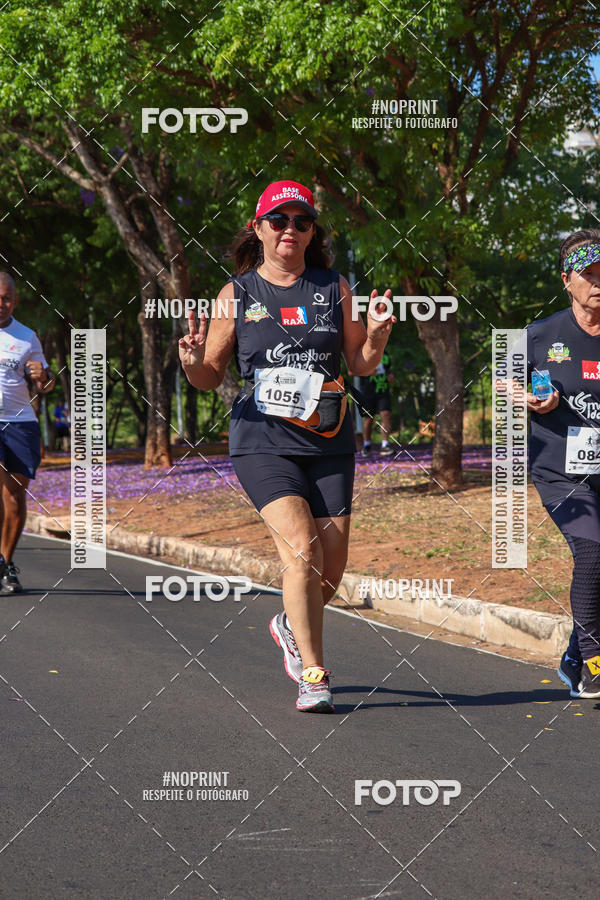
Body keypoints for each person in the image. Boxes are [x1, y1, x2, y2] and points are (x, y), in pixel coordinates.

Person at [179, 179, 395, 712]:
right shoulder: (238, 293)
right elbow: (210, 375)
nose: (290, 230)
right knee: (301, 549)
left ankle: (286, 621)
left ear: (311, 231)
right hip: (263, 442)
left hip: (328, 439)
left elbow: (360, 364)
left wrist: (377, 336)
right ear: (259, 229)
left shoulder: (333, 287)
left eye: (301, 222)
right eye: (279, 220)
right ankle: (314, 675)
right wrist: (191, 360)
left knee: (332, 566)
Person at [526, 228, 600, 698]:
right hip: (561, 470)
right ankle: (594, 663)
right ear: (566, 281)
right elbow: (509, 387)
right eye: (588, 274)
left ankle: (574, 656)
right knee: (594, 552)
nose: (598, 282)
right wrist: (535, 399)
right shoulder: (539, 336)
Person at [0, 272, 56, 593]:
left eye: (7, 298)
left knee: (14, 497)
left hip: (21, 424)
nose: (1, 303)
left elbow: (45, 386)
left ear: (15, 301)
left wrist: (43, 374)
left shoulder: (26, 337)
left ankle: (5, 564)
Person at [357, 320, 395, 455]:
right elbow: (353, 371)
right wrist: (367, 372)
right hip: (367, 391)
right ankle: (366, 445)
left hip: (383, 389)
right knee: (368, 419)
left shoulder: (385, 354)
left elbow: (389, 370)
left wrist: (391, 375)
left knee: (386, 415)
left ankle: (385, 445)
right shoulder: (364, 352)